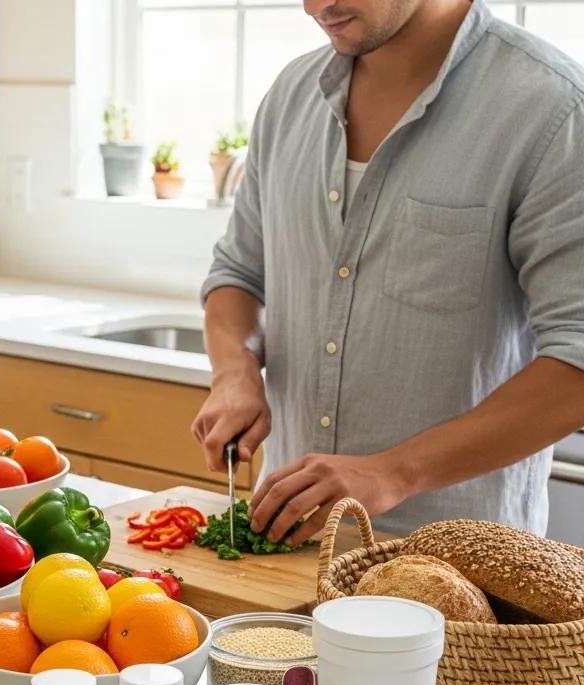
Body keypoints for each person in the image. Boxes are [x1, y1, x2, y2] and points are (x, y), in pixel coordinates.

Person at [192, 0, 584, 544]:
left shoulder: (553, 110)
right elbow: (238, 272)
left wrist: (392, 471)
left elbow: (577, 361)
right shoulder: (290, 97)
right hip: (288, 550)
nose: (315, 5)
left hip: (457, 572)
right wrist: (233, 372)